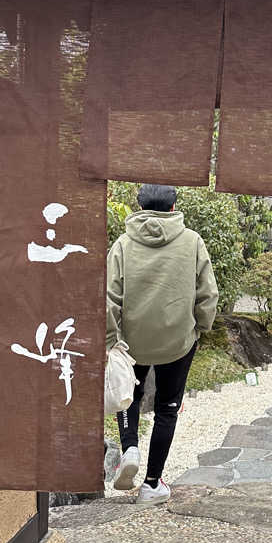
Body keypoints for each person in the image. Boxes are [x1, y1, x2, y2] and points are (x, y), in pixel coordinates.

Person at [106, 184, 218, 506]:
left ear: (138, 206)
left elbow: (109, 298)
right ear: (173, 208)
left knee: (129, 396)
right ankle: (151, 484)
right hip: (177, 342)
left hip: (132, 343)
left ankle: (129, 448)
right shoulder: (192, 241)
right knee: (167, 409)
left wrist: (113, 341)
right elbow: (208, 294)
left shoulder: (123, 245)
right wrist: (200, 328)